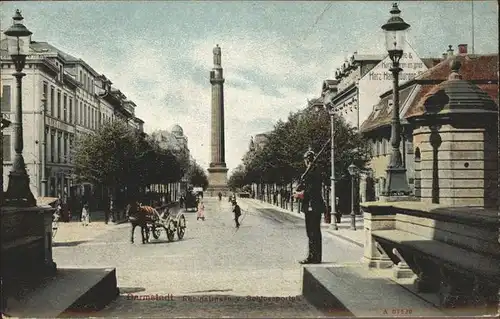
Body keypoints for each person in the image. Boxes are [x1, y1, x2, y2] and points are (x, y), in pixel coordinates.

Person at [294, 150, 324, 264]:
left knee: (313, 232)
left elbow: (313, 190)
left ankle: (314, 257)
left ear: (307, 160)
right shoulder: (311, 171)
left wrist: (300, 194)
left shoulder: (313, 172)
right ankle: (314, 256)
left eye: (307, 159)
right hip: (312, 205)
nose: (306, 162)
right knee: (312, 232)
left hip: (313, 205)